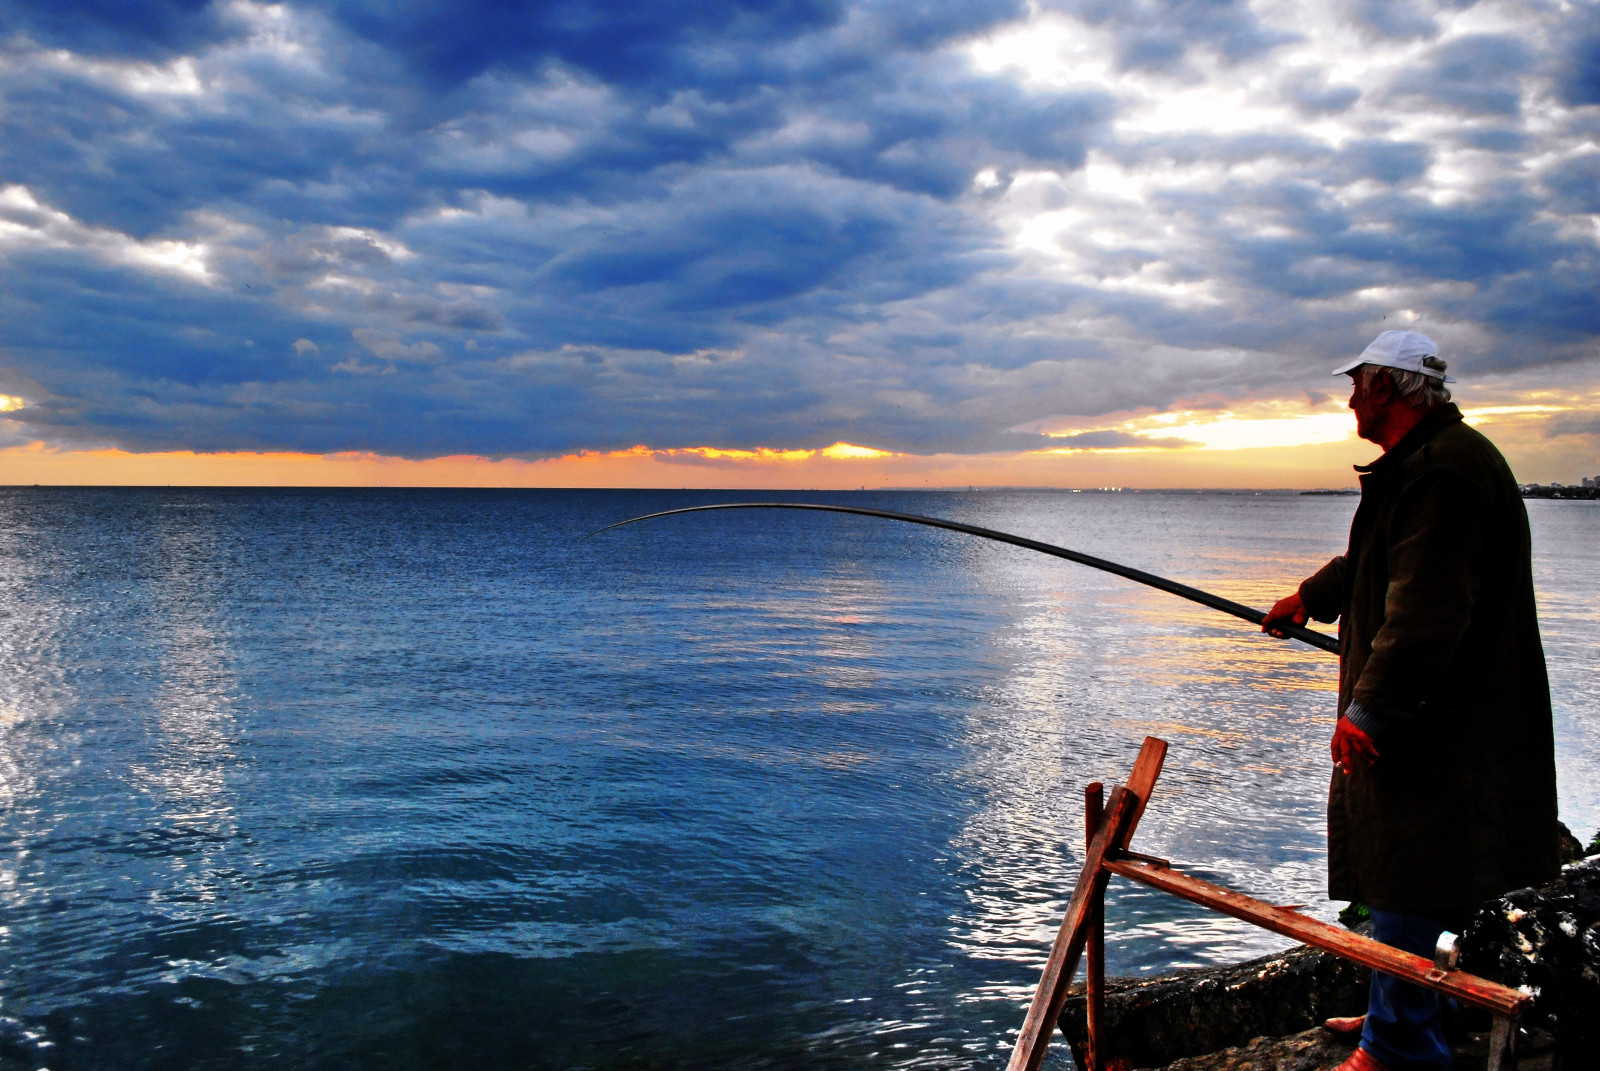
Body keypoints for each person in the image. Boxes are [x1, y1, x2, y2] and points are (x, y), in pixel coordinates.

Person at [1261, 330, 1559, 1071]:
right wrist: (1310, 597)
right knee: (1422, 870)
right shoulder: (1431, 462)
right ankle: (1403, 1005)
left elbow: (1426, 609)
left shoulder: (1444, 471)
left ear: (1387, 389)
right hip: (1444, 717)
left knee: (1408, 869)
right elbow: (1377, 558)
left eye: (1357, 384)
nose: (1349, 397)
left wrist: (1369, 711)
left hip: (1438, 723)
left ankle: (1395, 1043)